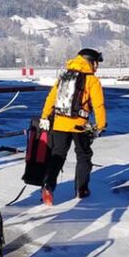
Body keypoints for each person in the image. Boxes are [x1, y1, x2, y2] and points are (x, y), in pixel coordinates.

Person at [38, 48, 107, 206]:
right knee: (83, 155)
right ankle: (81, 189)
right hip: (79, 126)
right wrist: (101, 125)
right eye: (96, 63)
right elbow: (99, 105)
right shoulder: (92, 80)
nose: (97, 66)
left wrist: (44, 116)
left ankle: (48, 186)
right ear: (90, 61)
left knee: (57, 155)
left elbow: (51, 98)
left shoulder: (65, 76)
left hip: (59, 123)